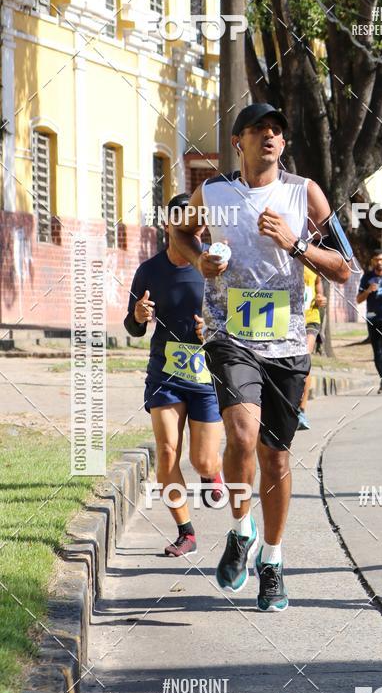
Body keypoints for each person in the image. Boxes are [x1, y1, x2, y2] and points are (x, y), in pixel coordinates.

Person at [169, 103, 352, 611]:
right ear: (238, 142)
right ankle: (240, 528)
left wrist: (295, 246)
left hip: (289, 343)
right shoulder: (213, 193)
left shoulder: (304, 193)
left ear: (283, 143)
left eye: (276, 129)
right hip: (231, 335)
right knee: (242, 434)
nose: (269, 136)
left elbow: (343, 266)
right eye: (258, 129)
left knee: (275, 455)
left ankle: (271, 560)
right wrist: (198, 258)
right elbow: (180, 234)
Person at [124, 193, 225, 558]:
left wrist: (211, 332)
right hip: (165, 375)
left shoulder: (216, 267)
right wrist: (137, 315)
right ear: (168, 226)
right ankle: (186, 532)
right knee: (167, 453)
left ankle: (212, 473)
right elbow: (132, 328)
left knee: (203, 460)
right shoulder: (148, 271)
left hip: (207, 378)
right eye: (184, 224)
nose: (193, 231)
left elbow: (234, 322)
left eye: (198, 225)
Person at [357, 251, 382, 393]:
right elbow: (358, 299)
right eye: (376, 260)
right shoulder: (367, 278)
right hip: (372, 317)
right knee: (377, 351)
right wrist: (368, 291)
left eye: (381, 259)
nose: (379, 262)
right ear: (372, 261)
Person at [297, 266, 327, 430]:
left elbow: (318, 284)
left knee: (303, 358)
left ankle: (301, 410)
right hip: (286, 319)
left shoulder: (311, 257)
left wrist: (321, 298)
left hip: (310, 319)